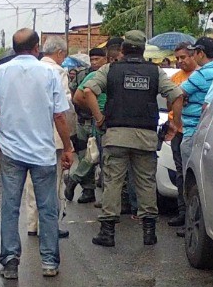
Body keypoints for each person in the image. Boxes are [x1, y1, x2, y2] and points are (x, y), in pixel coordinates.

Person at [0, 29, 73, 279]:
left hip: (11, 151)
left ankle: (9, 262)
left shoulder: (1, 72)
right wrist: (68, 148)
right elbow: (60, 115)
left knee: (10, 207)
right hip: (43, 153)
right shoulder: (50, 73)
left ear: (14, 48)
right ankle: (49, 262)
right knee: (48, 208)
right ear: (37, 47)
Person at [76, 30, 183, 247]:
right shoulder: (155, 72)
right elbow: (177, 95)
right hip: (146, 136)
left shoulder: (110, 69)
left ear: (123, 50)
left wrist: (99, 118)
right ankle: (149, 232)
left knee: (113, 182)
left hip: (116, 135)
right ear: (143, 50)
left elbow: (87, 92)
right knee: (145, 183)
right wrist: (175, 123)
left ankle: (108, 232)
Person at [23, 35, 73, 239]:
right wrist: (69, 142)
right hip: (53, 133)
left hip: (30, 132)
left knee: (31, 181)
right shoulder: (58, 72)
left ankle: (32, 224)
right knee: (53, 182)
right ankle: (49, 225)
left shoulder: (30, 70)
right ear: (60, 53)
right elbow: (63, 106)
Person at [65, 47, 109, 204]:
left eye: (98, 59)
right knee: (87, 155)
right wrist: (93, 109)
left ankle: (74, 179)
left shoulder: (105, 74)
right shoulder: (85, 74)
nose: (95, 62)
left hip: (97, 121)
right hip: (84, 121)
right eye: (92, 59)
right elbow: (76, 97)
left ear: (106, 59)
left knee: (94, 156)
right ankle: (87, 190)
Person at [165, 42, 198, 229]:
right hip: (177, 131)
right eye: (177, 58)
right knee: (180, 173)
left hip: (193, 132)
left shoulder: (199, 77)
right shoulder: (176, 78)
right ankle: (182, 212)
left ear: (193, 56)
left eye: (183, 57)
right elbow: (170, 103)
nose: (180, 61)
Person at [175, 36, 213, 172]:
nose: (193, 56)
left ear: (201, 53)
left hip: (193, 131)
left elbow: (177, 93)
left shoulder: (200, 74)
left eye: (194, 53)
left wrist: (177, 123)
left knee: (190, 176)